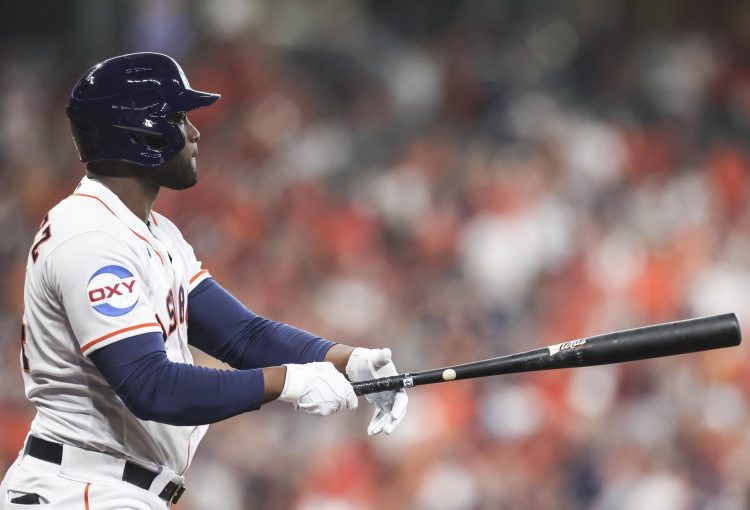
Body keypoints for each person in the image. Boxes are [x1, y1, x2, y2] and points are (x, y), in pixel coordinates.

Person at [0, 52, 408, 509]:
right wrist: (288, 382)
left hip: (106, 487)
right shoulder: (92, 238)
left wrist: (346, 360)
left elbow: (240, 334)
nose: (193, 133)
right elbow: (151, 386)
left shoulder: (148, 230)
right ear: (137, 133)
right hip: (79, 488)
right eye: (177, 117)